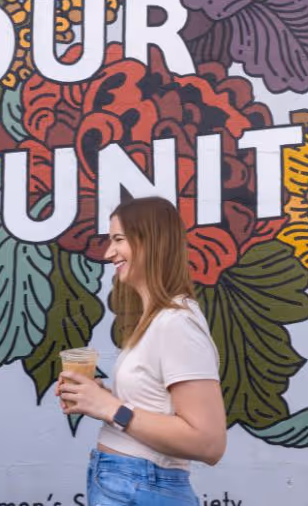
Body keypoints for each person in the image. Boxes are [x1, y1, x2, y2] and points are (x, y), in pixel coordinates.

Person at [57, 197, 227, 506]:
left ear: (151, 242)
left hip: (142, 486)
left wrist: (111, 407)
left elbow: (209, 442)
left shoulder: (177, 323)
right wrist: (98, 398)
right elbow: (153, 410)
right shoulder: (158, 321)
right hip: (127, 483)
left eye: (118, 240)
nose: (109, 253)